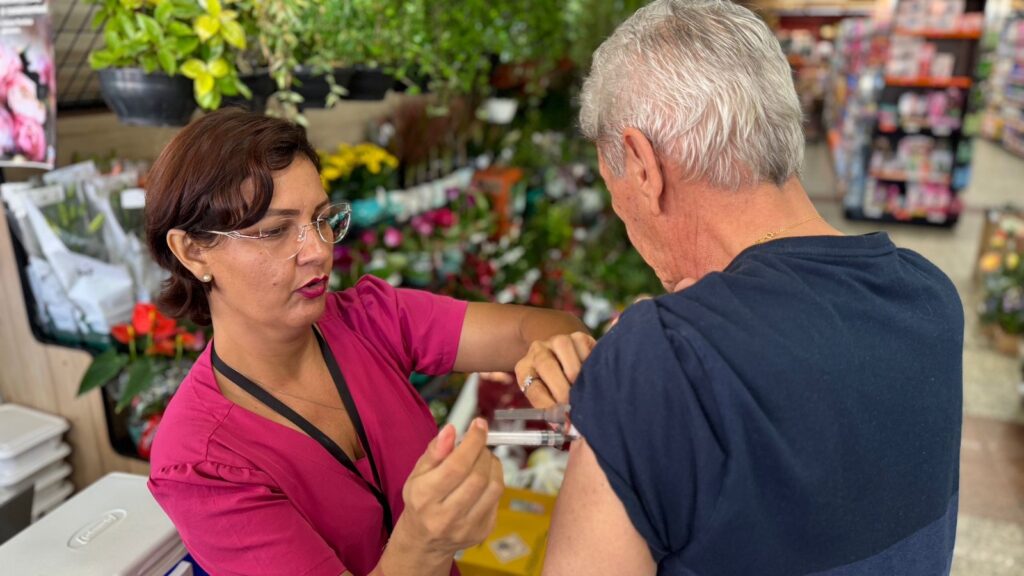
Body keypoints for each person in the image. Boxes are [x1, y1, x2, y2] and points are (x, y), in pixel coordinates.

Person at [515, 2, 964, 575]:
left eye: (614, 186)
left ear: (642, 164)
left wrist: (635, 371)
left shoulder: (658, 363)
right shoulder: (929, 297)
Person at [143, 109, 592, 576]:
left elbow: (541, 325)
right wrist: (424, 544)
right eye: (275, 231)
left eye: (322, 219)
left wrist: (555, 353)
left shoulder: (370, 320)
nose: (318, 250)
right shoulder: (202, 461)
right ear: (193, 251)